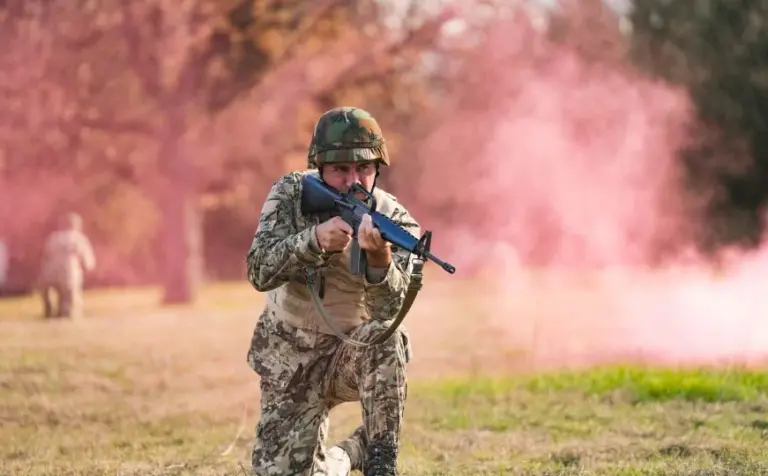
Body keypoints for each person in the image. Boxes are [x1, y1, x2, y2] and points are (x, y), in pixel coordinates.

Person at [245, 107, 423, 476]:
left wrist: (380, 259)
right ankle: (348, 454)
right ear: (320, 167)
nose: (353, 181)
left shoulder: (396, 220)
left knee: (387, 339)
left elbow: (388, 309)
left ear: (378, 169)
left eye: (364, 169)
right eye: (341, 169)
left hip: (350, 354)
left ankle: (380, 460)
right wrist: (310, 241)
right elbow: (258, 271)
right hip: (289, 363)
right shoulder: (292, 194)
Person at [38, 212, 97, 319]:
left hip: (51, 272)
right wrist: (89, 267)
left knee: (55, 294)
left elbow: (45, 255)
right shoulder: (78, 238)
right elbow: (87, 258)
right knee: (69, 297)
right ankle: (67, 314)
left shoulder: (53, 237)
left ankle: (50, 313)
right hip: (69, 272)